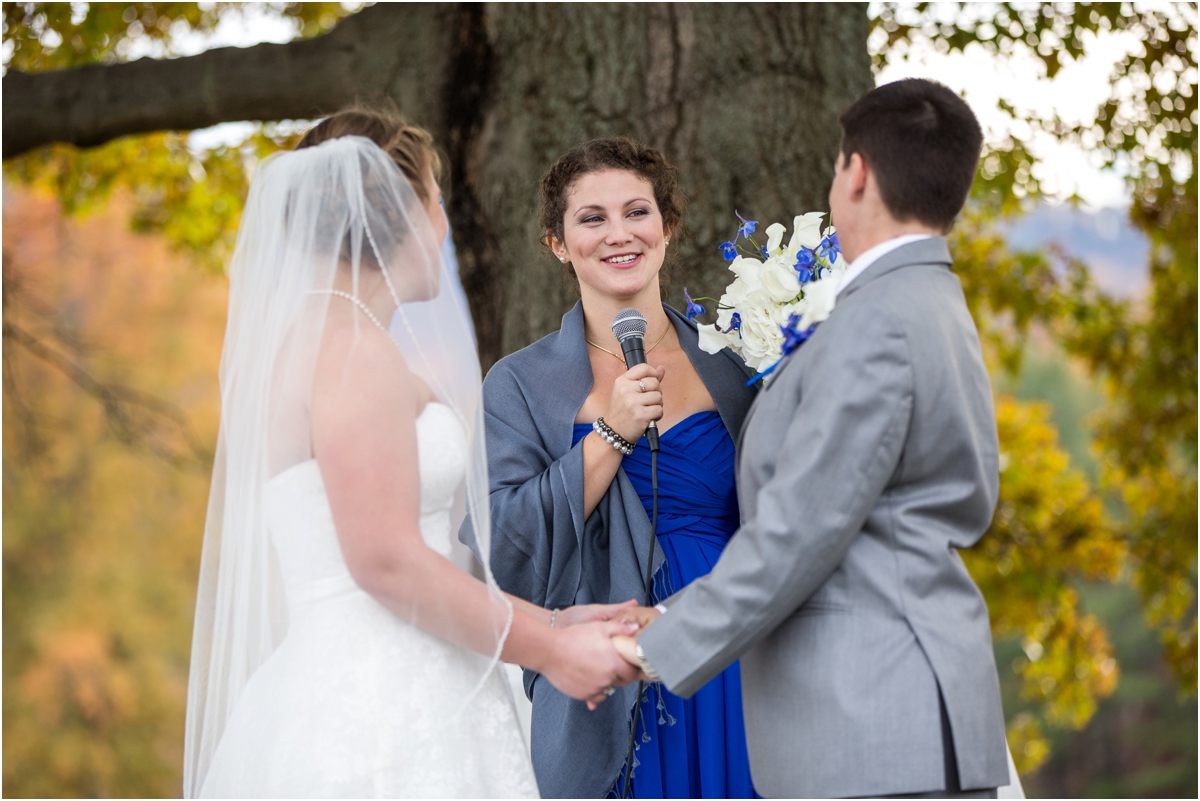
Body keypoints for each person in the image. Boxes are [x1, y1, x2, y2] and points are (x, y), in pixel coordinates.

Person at [183, 110, 643, 798]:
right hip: (379, 705)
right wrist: (551, 648)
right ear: (397, 216)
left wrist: (553, 617)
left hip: (376, 671)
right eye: (435, 198)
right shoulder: (350, 348)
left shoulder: (324, 338)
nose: (444, 223)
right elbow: (386, 559)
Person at [614, 79, 1022, 799]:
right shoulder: (932, 300)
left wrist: (648, 644)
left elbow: (800, 533)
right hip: (899, 717)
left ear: (855, 172)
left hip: (870, 723)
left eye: (838, 163)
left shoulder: (876, 323)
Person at [462, 137, 759, 798]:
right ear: (557, 244)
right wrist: (610, 435)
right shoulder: (518, 385)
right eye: (591, 218)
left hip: (736, 651)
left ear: (667, 227)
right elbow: (499, 547)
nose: (618, 233)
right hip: (612, 668)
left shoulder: (735, 367)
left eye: (637, 212)